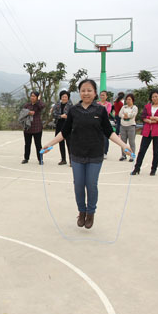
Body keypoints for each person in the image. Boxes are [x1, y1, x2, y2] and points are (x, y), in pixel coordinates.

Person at [42, 79, 132, 229]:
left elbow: (109, 132)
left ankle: (90, 213)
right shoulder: (73, 110)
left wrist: (124, 145)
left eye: (89, 90)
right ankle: (81, 211)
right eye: (83, 90)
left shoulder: (100, 110)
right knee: (78, 185)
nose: (86, 93)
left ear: (95, 93)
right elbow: (64, 132)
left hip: (95, 154)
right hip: (77, 154)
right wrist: (49, 144)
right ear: (79, 92)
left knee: (91, 185)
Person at [131, 90, 158, 176]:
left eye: (156, 96)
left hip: (157, 132)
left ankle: (153, 169)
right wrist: (153, 118)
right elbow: (143, 117)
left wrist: (152, 118)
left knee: (156, 151)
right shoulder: (147, 106)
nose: (154, 98)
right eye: (153, 97)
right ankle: (137, 168)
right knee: (142, 150)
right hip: (147, 131)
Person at [22, 92, 45, 165]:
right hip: (27, 127)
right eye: (31, 96)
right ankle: (26, 158)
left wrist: (38, 100)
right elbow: (22, 113)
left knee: (38, 144)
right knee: (27, 144)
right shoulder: (27, 105)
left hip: (37, 127)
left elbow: (42, 106)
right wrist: (28, 113)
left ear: (37, 97)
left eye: (34, 96)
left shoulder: (39, 104)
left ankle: (40, 159)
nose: (32, 97)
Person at [52, 90, 72, 165]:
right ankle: (63, 159)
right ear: (60, 97)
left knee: (69, 143)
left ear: (68, 98)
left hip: (68, 125)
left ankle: (71, 160)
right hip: (59, 125)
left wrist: (67, 117)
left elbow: (73, 115)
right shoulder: (57, 105)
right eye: (63, 97)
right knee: (61, 142)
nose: (64, 98)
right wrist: (60, 116)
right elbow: (53, 114)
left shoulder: (71, 106)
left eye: (65, 97)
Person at [119, 93, 138, 162]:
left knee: (131, 142)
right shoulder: (124, 107)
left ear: (132, 100)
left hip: (131, 126)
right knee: (123, 142)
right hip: (123, 126)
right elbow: (120, 114)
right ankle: (123, 155)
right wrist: (124, 116)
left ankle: (132, 156)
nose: (128, 101)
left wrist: (128, 115)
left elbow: (133, 114)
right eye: (127, 99)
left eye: (129, 99)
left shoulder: (134, 107)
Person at [98, 91, 113, 159]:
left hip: (105, 122)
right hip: (98, 122)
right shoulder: (97, 104)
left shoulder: (109, 104)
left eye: (103, 95)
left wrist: (103, 108)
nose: (102, 96)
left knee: (106, 138)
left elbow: (108, 112)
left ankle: (105, 152)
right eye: (101, 95)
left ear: (106, 96)